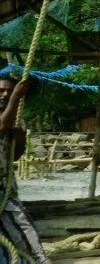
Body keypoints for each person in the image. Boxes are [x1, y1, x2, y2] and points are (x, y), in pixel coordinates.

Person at [0, 75, 51, 264]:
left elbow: (14, 156)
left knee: (27, 236)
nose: (5, 95)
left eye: (10, 91)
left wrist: (20, 139)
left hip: (5, 190)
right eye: (2, 90)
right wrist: (15, 98)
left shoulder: (17, 119)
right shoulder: (7, 117)